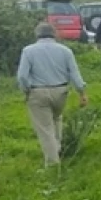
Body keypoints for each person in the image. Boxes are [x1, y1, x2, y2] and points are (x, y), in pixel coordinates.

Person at [17, 21, 89, 167]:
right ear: (54, 34)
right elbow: (75, 74)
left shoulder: (28, 51)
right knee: (56, 119)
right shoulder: (65, 50)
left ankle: (52, 163)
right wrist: (82, 93)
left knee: (45, 128)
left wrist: (26, 90)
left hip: (38, 91)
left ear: (37, 34)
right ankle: (57, 149)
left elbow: (22, 76)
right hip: (61, 91)